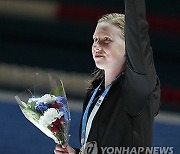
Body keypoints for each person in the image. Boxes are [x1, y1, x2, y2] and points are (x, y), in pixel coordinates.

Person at [54, 0, 161, 153]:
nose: (97, 45)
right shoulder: (95, 90)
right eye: (95, 39)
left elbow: (138, 33)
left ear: (129, 46)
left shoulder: (136, 88)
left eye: (106, 40)